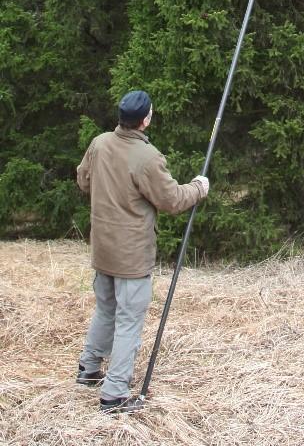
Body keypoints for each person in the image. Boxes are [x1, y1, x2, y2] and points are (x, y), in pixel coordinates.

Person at [76, 89, 209, 414]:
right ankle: (114, 394)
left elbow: (83, 181)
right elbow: (172, 201)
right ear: (146, 120)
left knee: (106, 311)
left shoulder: (99, 143)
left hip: (103, 250)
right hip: (131, 258)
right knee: (128, 322)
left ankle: (88, 370)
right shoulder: (148, 158)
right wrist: (199, 188)